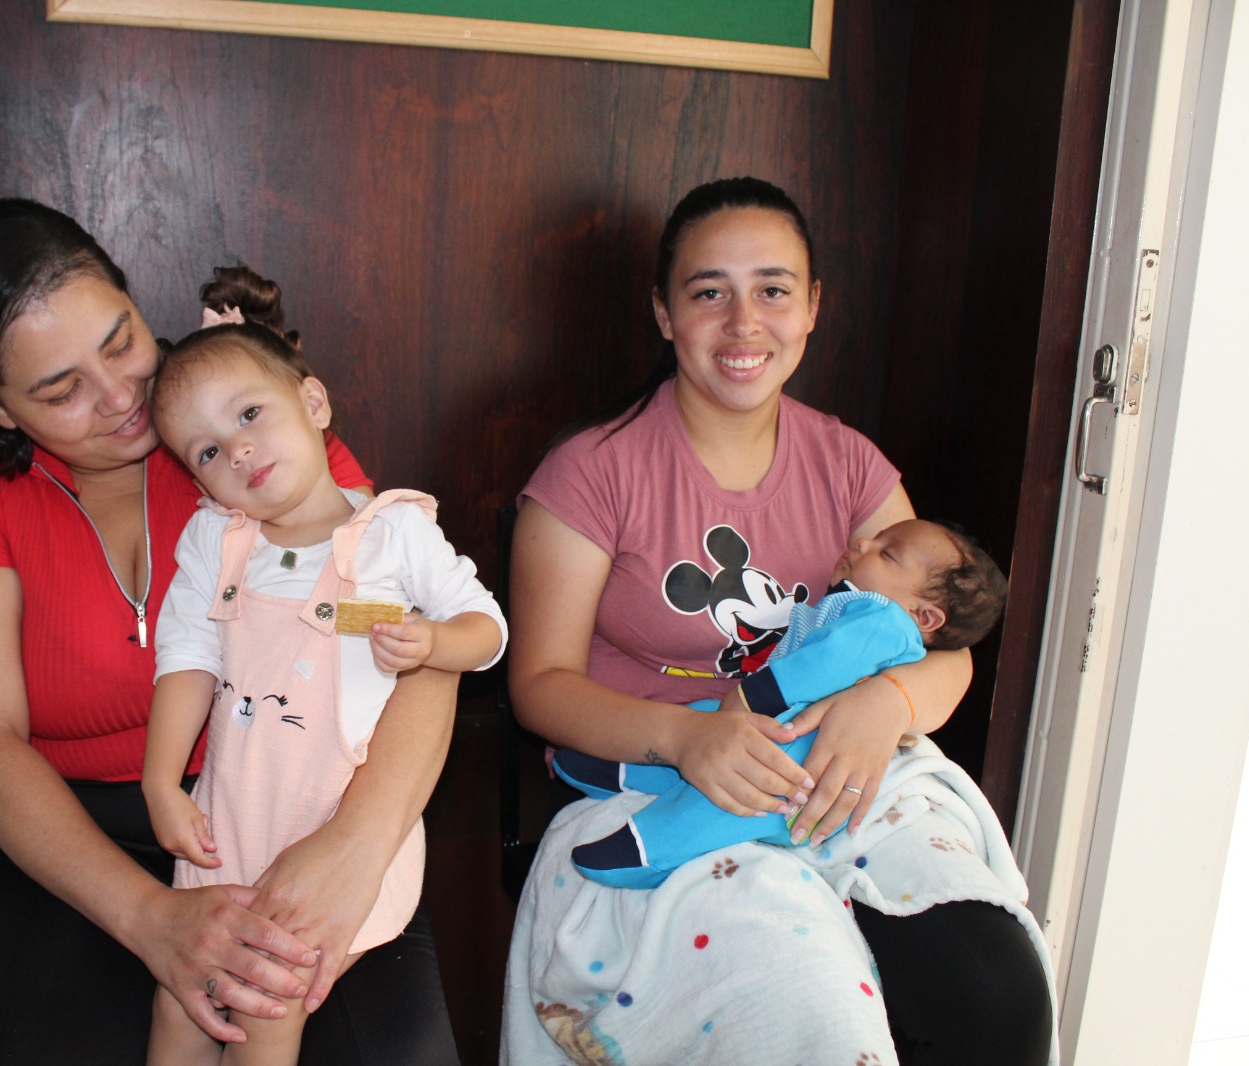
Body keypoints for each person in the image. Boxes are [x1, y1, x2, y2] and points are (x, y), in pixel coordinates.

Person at [502, 178, 1055, 1065]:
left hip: (842, 766)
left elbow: (941, 649)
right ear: (664, 313)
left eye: (772, 289)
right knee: (814, 1013)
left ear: (812, 307)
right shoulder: (591, 474)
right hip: (666, 780)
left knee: (995, 994)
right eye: (708, 292)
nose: (743, 323)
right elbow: (539, 685)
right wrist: (686, 739)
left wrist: (884, 707)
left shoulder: (851, 466)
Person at [0, 199, 463, 1065]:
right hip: (73, 842)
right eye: (61, 390)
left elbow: (410, 639)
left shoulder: (242, 429)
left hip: (296, 809)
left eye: (120, 342)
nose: (119, 399)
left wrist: (355, 846)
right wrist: (150, 917)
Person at [140, 282, 507, 1064]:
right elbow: (187, 658)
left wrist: (433, 642)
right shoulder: (215, 541)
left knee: (265, 1008)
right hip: (232, 820)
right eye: (208, 451)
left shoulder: (393, 536)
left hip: (333, 826)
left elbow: (488, 631)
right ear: (197, 481)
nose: (238, 451)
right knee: (181, 1002)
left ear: (313, 403)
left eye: (249, 415)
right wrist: (161, 780)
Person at [555, 519, 1008, 888]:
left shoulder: (884, 621)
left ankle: (647, 850)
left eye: (887, 553)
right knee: (704, 725)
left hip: (809, 755)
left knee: (734, 793)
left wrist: (753, 697)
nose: (863, 542)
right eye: (876, 537)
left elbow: (821, 666)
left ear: (924, 616)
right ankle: (623, 769)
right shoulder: (860, 609)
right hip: (791, 725)